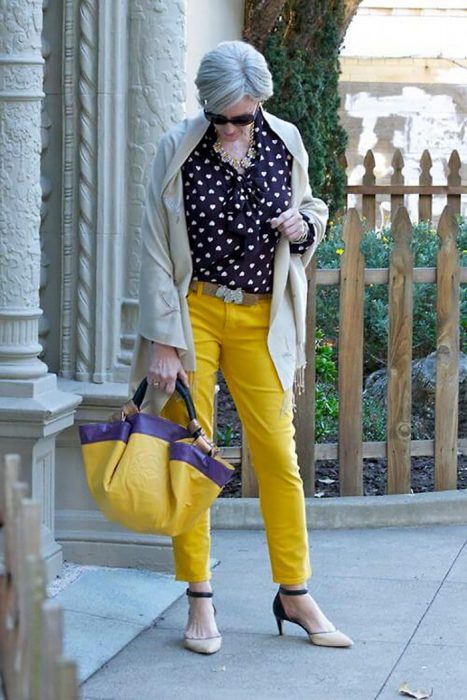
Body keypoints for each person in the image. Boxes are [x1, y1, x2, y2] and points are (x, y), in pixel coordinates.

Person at [130, 40, 353, 655]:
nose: (229, 128)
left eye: (241, 117)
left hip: (262, 317)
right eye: (219, 117)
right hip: (193, 314)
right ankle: (199, 595)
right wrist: (164, 341)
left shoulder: (285, 140)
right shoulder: (176, 148)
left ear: (259, 104)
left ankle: (295, 591)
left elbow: (311, 206)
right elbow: (154, 247)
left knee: (279, 457)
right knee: (190, 453)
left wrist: (305, 225)